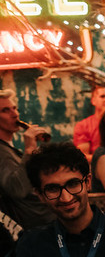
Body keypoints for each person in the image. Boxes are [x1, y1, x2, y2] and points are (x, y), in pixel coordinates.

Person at [0, 89, 54, 229]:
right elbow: (17, 189)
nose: (15, 114)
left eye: (14, 108)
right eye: (5, 110)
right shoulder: (1, 151)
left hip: (44, 219)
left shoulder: (8, 148)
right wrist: (29, 149)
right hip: (35, 226)